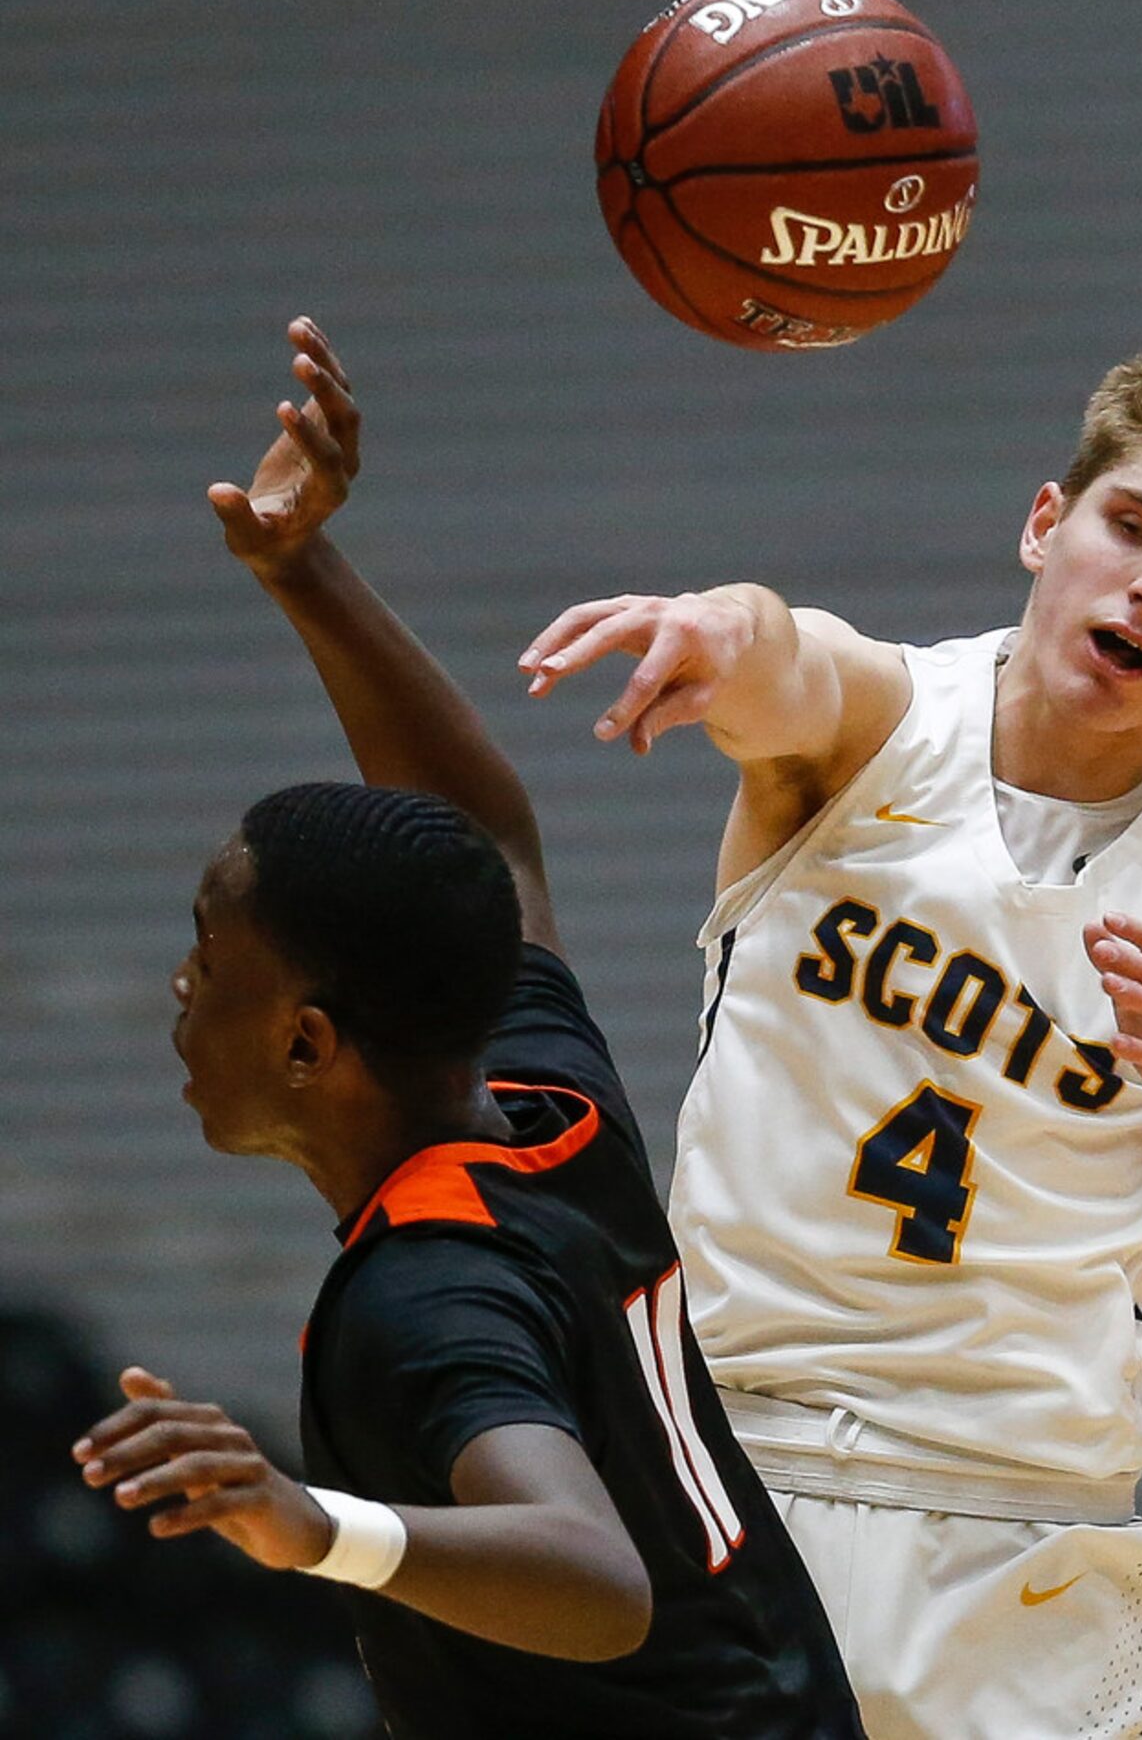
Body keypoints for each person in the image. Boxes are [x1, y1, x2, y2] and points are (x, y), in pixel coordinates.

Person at [520, 320, 1142, 1739]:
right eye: (1135, 527)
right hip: (730, 1468)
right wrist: (719, 627)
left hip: (1026, 1547)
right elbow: (780, 651)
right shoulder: (872, 724)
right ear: (1048, 524)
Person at [71, 319, 865, 1740]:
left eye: (211, 955)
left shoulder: (425, 1297)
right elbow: (485, 834)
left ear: (312, 1045)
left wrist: (313, 1525)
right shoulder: (540, 1098)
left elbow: (594, 1575)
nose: (182, 988)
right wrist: (298, 566)